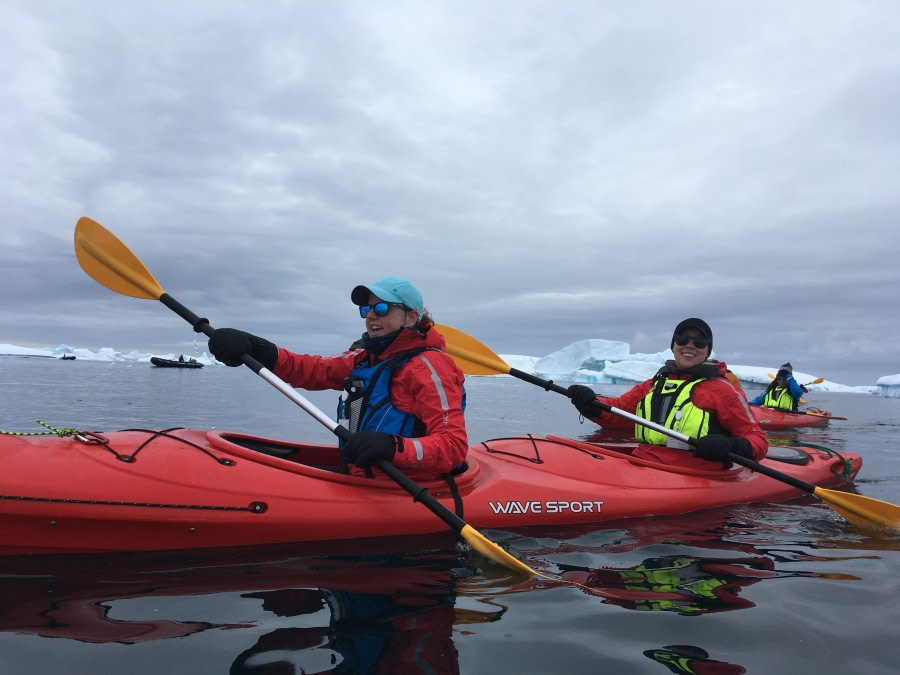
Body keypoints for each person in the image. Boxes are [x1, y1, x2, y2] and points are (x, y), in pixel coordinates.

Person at [207, 277, 468, 482]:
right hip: (360, 474)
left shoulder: (431, 368)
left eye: (382, 307)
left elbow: (453, 445)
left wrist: (393, 447)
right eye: (366, 308)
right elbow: (313, 370)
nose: (371, 316)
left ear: (411, 317)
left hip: (406, 485)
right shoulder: (365, 358)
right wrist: (259, 349)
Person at [566, 318, 767, 469]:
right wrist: (590, 403)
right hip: (643, 463)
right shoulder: (655, 384)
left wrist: (730, 445)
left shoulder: (722, 390)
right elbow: (617, 413)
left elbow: (758, 441)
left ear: (707, 351)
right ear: (673, 346)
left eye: (699, 342)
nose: (689, 345)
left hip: (696, 473)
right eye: (682, 339)